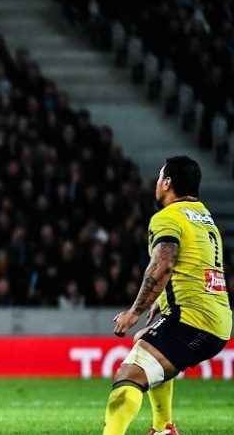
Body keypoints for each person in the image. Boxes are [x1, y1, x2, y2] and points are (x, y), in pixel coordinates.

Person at [103, 156, 230, 435]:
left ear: (168, 182)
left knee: (129, 375)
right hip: (215, 318)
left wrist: (134, 312)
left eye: (160, 178)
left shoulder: (167, 217)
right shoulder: (205, 218)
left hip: (194, 320)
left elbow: (163, 265)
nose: (157, 184)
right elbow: (194, 265)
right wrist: (162, 301)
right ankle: (163, 428)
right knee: (144, 341)